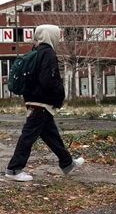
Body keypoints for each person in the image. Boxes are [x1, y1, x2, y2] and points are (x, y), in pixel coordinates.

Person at [5, 24, 84, 182]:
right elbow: (48, 80)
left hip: (34, 101)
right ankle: (14, 169)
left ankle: (67, 163)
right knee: (28, 136)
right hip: (41, 103)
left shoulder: (35, 52)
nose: (59, 39)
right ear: (51, 36)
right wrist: (60, 94)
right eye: (57, 35)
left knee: (51, 135)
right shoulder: (48, 53)